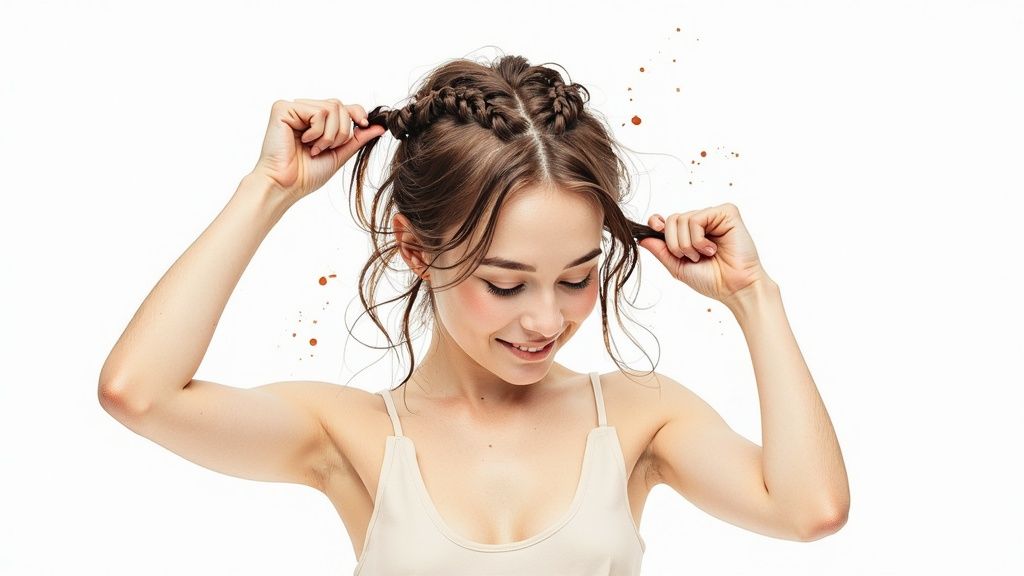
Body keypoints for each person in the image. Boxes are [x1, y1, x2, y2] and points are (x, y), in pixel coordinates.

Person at [98, 53, 849, 575]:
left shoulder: (636, 417)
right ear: (416, 251)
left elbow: (809, 509)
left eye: (578, 277)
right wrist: (269, 187)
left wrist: (757, 299)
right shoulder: (350, 435)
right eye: (505, 283)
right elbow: (140, 393)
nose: (546, 321)